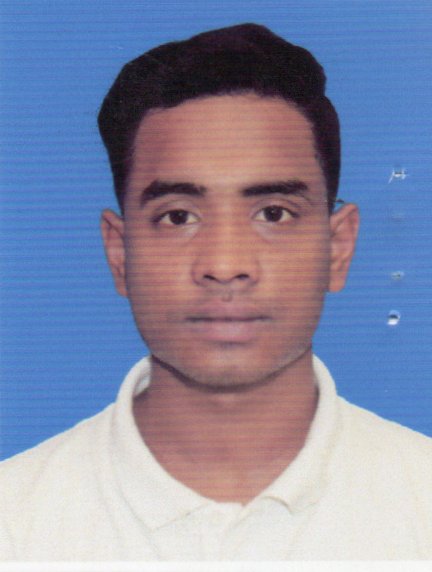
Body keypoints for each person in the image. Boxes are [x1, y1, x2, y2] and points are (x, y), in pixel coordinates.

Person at [1, 23, 431, 561]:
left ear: (338, 249)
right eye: (178, 217)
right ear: (119, 253)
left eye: (274, 213)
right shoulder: (14, 523)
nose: (226, 266)